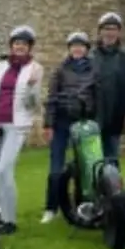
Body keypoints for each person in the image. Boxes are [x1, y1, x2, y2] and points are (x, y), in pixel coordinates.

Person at [0, 25, 43, 234]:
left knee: (5, 168)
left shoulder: (35, 69)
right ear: (11, 46)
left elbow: (33, 104)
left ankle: (10, 219)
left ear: (30, 47)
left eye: (23, 44)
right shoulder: (0, 67)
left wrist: (32, 86)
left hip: (17, 125)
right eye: (16, 43)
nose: (19, 47)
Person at [41, 31, 98, 223]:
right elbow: (51, 99)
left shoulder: (94, 70)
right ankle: (51, 207)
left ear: (87, 49)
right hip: (62, 122)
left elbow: (97, 96)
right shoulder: (60, 70)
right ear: (69, 48)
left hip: (83, 121)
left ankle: (81, 204)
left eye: (81, 46)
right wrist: (48, 124)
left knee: (84, 164)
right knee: (56, 166)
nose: (77, 49)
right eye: (74, 45)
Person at [91, 11, 125, 161]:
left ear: (119, 32)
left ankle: (112, 184)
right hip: (94, 115)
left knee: (111, 158)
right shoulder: (91, 57)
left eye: (113, 29)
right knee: (93, 158)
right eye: (106, 29)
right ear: (100, 32)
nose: (110, 33)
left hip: (116, 115)